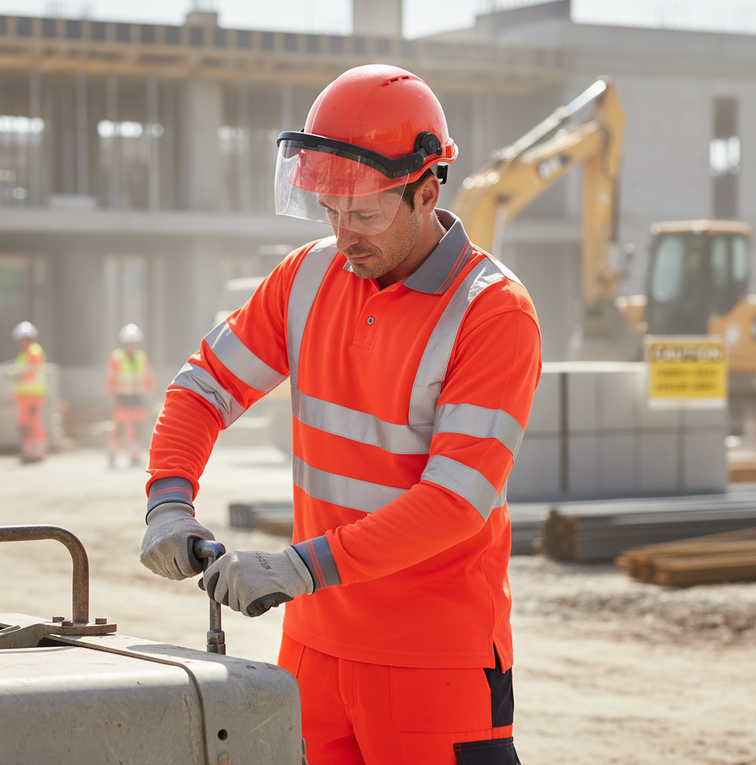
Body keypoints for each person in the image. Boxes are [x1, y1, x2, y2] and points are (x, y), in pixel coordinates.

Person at [140, 64, 541, 764]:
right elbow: (205, 386)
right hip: (314, 651)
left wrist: (299, 567)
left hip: (433, 664)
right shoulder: (307, 276)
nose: (343, 233)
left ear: (425, 189)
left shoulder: (493, 313)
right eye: (328, 211)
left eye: (364, 214)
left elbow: (453, 503)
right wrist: (168, 499)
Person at [106, 324, 155, 468]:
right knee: (119, 429)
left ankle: (135, 456)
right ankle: (113, 455)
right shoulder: (116, 358)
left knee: (137, 428)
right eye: (129, 343)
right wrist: (112, 395)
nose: (131, 346)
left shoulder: (141, 358)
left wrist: (151, 392)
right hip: (122, 398)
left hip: (138, 398)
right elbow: (110, 378)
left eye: (134, 344)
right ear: (124, 344)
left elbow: (148, 377)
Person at [11, 321, 47, 464]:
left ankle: (37, 453)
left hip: (33, 396)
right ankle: (28, 452)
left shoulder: (34, 352)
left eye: (22, 339)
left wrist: (18, 376)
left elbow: (30, 373)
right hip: (23, 397)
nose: (20, 343)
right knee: (25, 426)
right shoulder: (23, 354)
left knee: (33, 425)